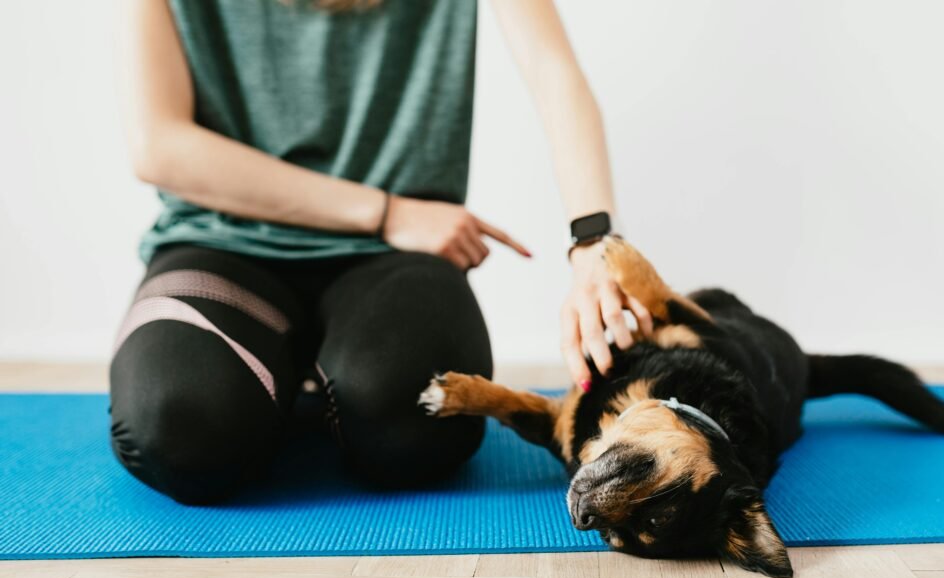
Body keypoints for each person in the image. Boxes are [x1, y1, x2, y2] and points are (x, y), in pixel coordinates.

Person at [111, 0, 653, 505]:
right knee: (179, 429)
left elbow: (553, 73)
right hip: (221, 243)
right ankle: (282, 389)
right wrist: (387, 210)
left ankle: (306, 390)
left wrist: (594, 246)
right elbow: (158, 145)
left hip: (392, 259)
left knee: (417, 425)